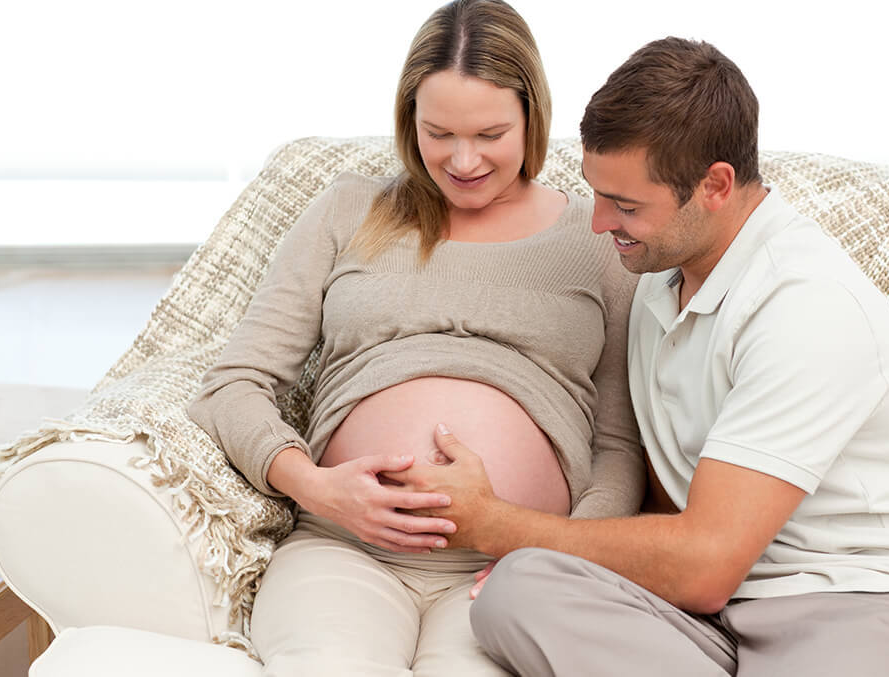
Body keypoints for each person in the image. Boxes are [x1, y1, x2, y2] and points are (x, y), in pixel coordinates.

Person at [389, 37, 889, 676]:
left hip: (854, 602)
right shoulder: (660, 278)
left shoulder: (809, 308)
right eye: (597, 194)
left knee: (528, 558)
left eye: (627, 206)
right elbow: (665, 508)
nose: (599, 223)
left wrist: (494, 523)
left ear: (715, 185)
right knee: (520, 591)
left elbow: (706, 563)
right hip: (715, 616)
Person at [187, 1, 644, 675]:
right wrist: (314, 486)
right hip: (344, 550)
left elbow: (619, 442)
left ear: (532, 117)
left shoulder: (597, 239)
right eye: (439, 133)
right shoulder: (348, 210)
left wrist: (561, 552)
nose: (462, 161)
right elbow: (233, 384)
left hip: (511, 568)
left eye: (490, 133)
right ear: (409, 122)